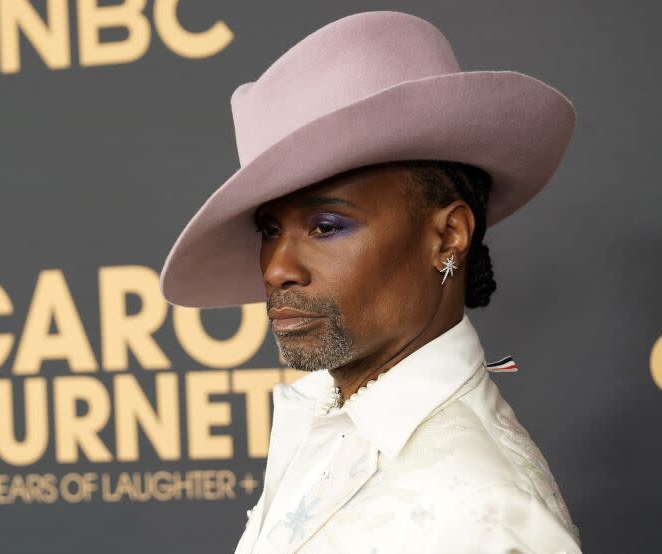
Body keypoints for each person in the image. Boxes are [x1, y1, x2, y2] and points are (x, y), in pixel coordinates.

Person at [159, 10, 582, 553]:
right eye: (269, 229)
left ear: (448, 235)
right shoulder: (322, 417)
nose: (275, 268)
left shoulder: (481, 516)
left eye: (326, 225)